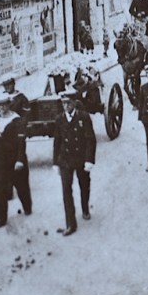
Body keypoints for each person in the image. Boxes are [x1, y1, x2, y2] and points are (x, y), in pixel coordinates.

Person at [53, 91, 97, 234]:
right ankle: (70, 224)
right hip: (65, 159)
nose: (66, 106)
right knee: (66, 190)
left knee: (84, 185)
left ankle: (85, 208)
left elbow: (90, 140)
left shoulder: (83, 117)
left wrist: (89, 160)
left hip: (81, 158)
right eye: (63, 103)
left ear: (74, 103)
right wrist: (55, 162)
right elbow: (57, 141)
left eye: (68, 103)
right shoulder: (59, 119)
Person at [0, 95, 32, 228]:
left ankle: (27, 206)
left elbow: (21, 142)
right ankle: (0, 218)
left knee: (21, 186)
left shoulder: (17, 120)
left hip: (15, 159)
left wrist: (20, 159)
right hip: (0, 160)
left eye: (4, 104)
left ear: (9, 104)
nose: (2, 107)